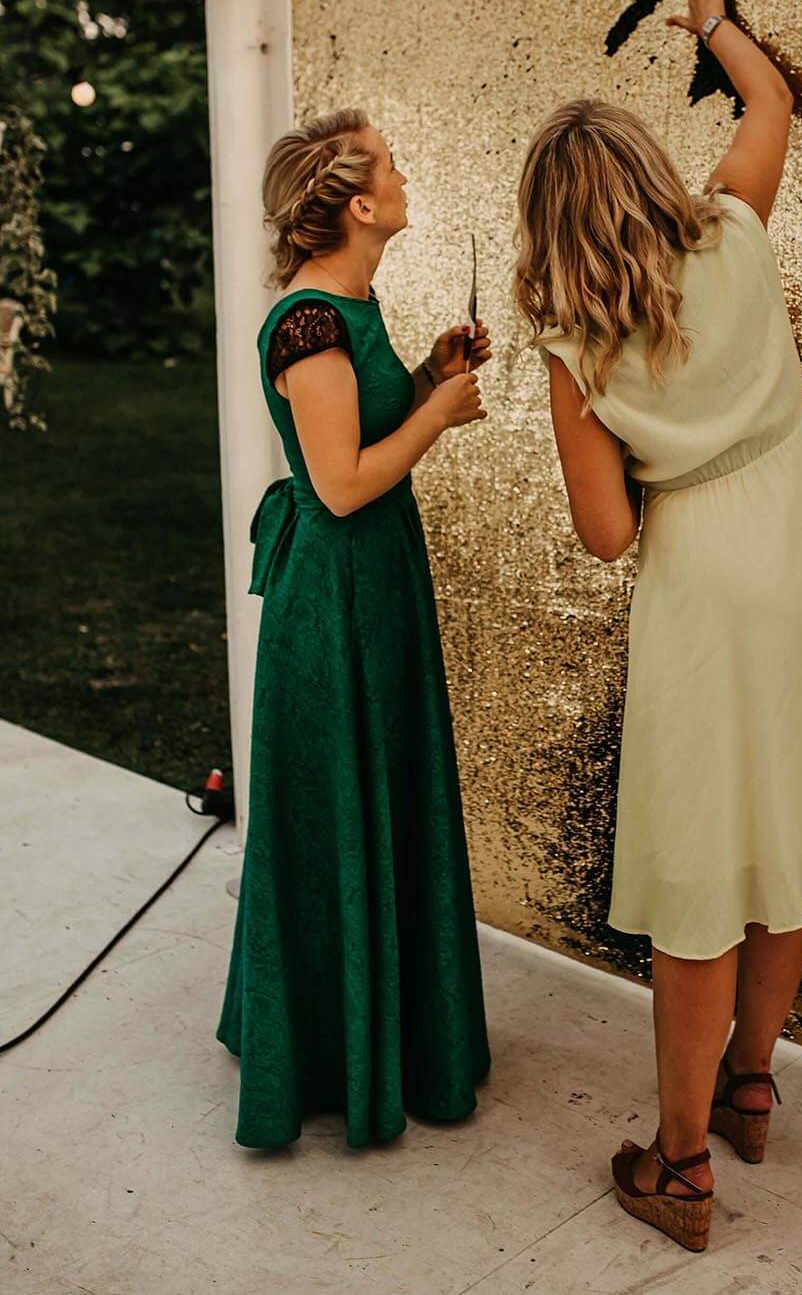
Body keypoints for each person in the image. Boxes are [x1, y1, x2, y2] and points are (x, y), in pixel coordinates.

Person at [513, 0, 802, 1253]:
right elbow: (769, 102)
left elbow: (607, 533)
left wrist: (644, 439)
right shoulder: (735, 230)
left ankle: (679, 1166)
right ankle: (752, 1086)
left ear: (549, 224)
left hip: (704, 595)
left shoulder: (576, 347)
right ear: (646, 170)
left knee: (701, 879)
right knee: (783, 838)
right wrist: (717, 24)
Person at [217, 106, 491, 1148]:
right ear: (361, 206)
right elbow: (337, 485)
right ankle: (333, 1055)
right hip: (331, 601)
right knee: (340, 803)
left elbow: (366, 423)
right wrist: (439, 416)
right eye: (393, 166)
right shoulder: (308, 324)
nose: (405, 177)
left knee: (387, 790)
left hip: (378, 584)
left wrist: (425, 374)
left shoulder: (354, 307)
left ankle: (388, 1032)